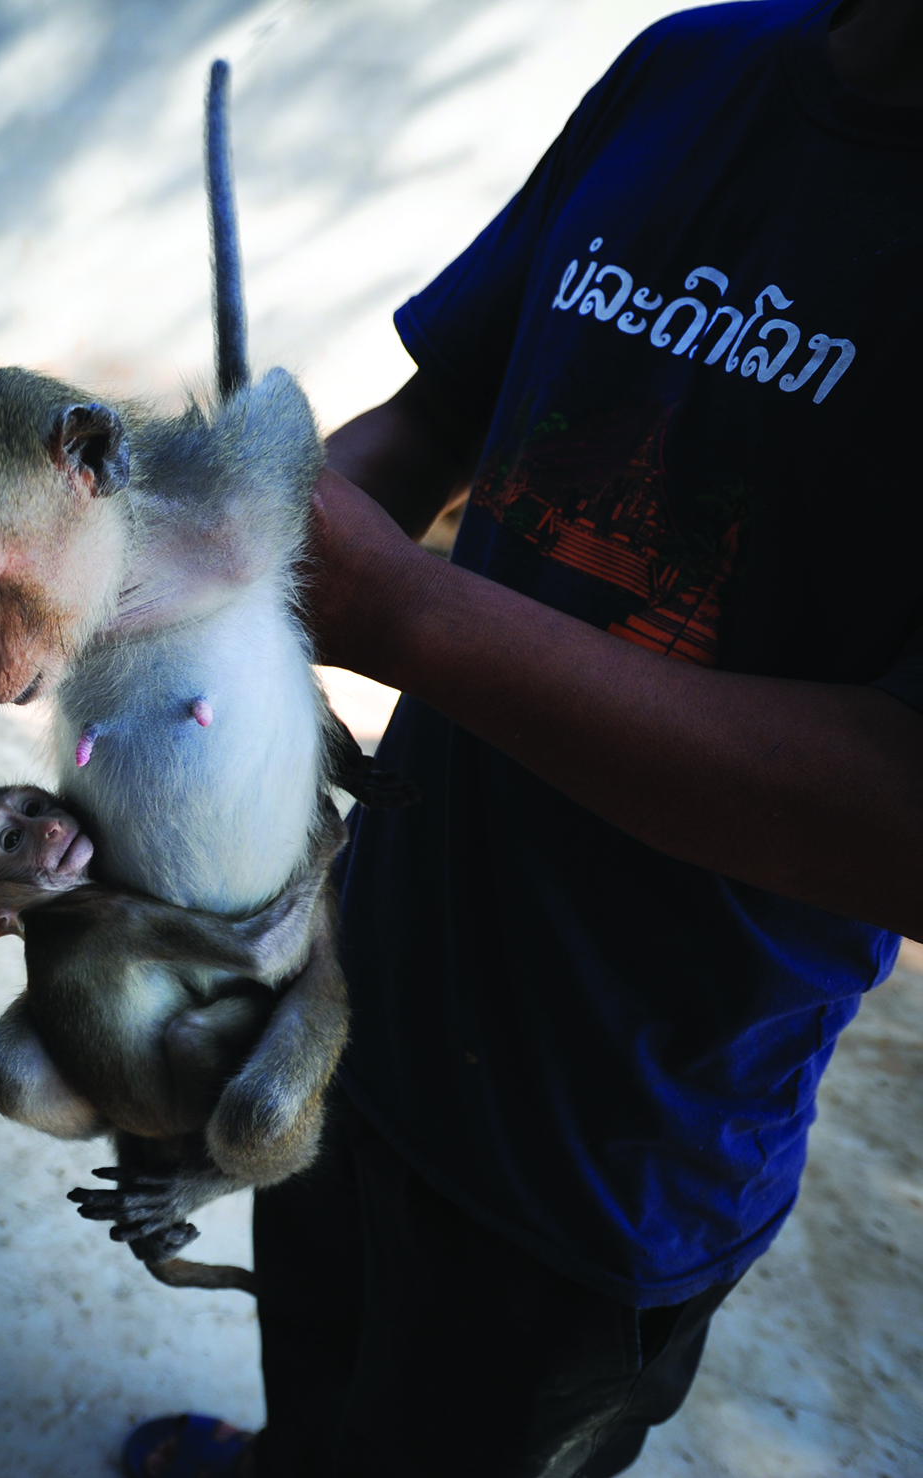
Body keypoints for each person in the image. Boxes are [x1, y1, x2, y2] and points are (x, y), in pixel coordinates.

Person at [122, 1, 923, 1473]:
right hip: (368, 973)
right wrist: (219, 571)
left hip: (609, 1131)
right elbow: (441, 414)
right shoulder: (693, 68)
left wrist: (406, 615)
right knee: (316, 1338)